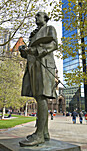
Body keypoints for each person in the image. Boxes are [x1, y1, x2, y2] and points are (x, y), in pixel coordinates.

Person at [19, 12, 58, 146]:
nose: (36, 18)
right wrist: (24, 51)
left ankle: (39, 135)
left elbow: (53, 44)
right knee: (38, 96)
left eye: (38, 16)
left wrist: (37, 51)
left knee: (41, 96)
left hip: (44, 65)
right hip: (33, 66)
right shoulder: (33, 34)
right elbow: (30, 52)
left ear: (45, 18)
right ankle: (44, 133)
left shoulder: (49, 29)